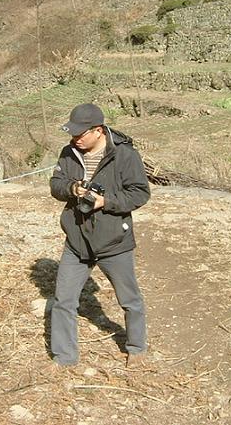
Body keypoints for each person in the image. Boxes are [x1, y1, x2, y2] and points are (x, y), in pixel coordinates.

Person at [49, 102, 150, 368]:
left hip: (114, 240)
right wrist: (73, 189)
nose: (75, 139)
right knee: (63, 300)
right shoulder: (68, 153)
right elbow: (55, 185)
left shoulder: (125, 156)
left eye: (80, 134)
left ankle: (137, 349)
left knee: (129, 299)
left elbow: (140, 193)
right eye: (72, 134)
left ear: (98, 131)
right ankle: (64, 358)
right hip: (76, 239)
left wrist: (105, 202)